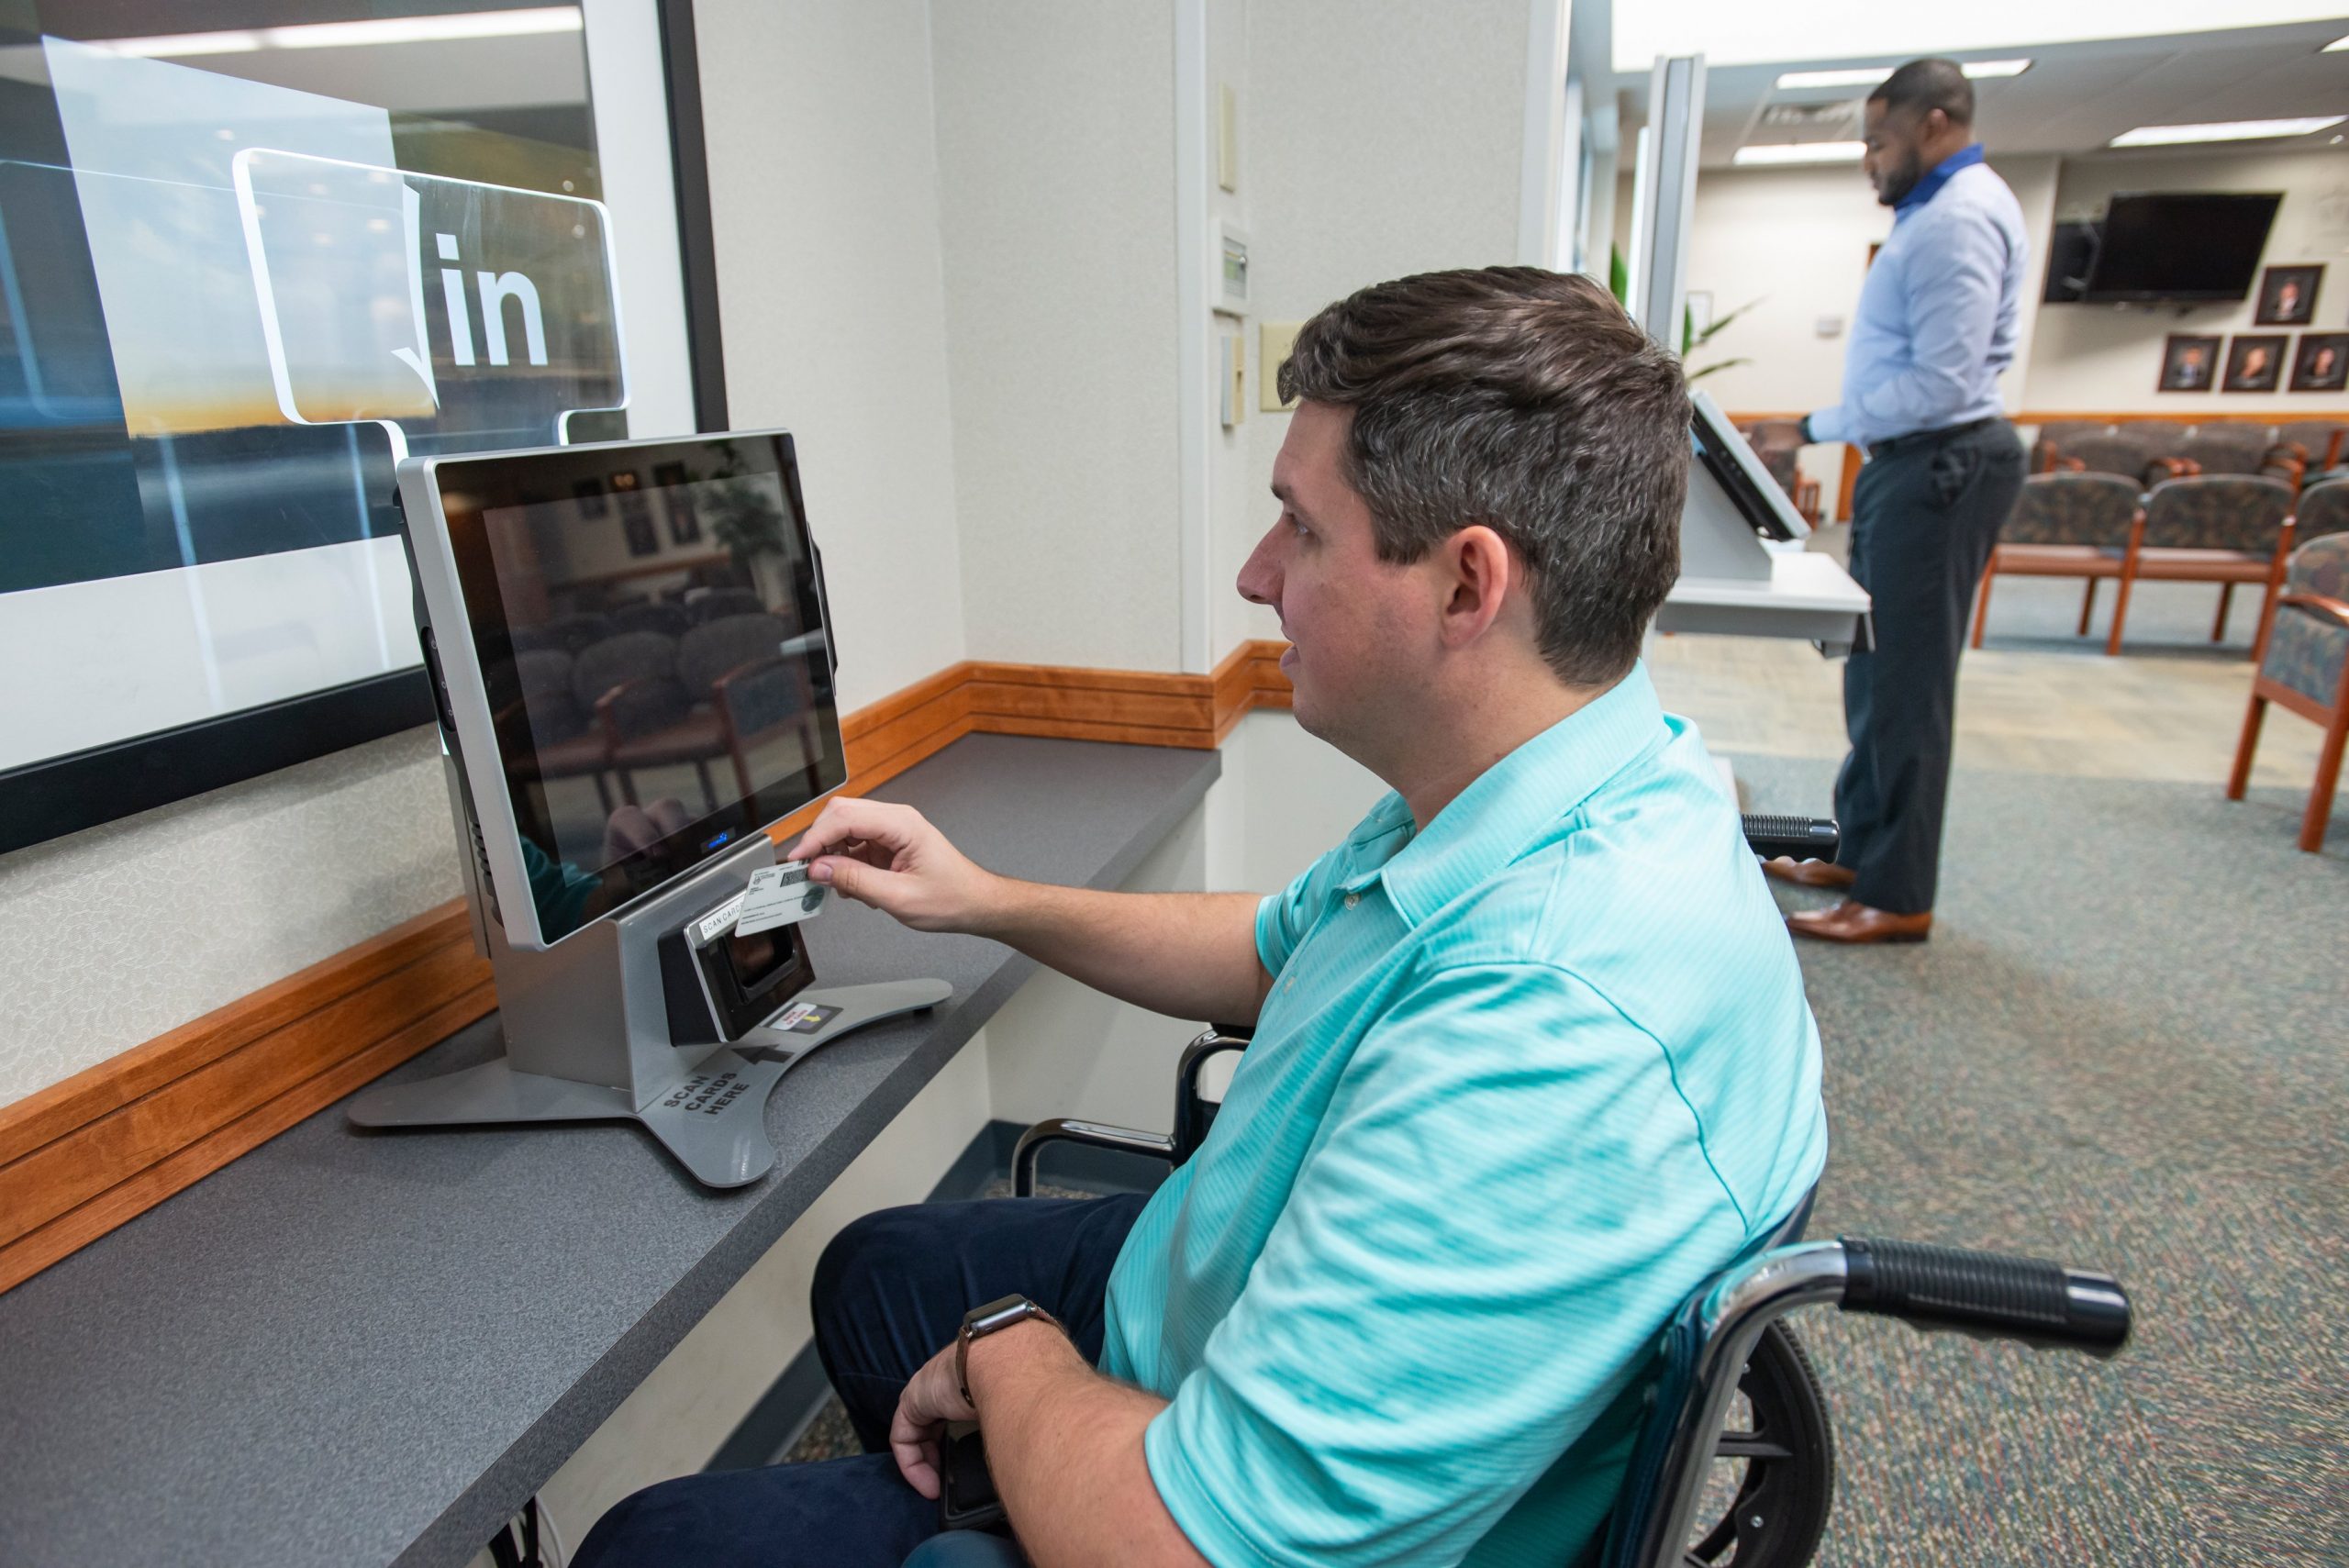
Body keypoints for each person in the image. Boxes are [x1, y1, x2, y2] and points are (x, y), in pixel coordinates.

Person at [571, 268, 1828, 1568]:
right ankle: (980, 1473)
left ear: (1466, 586)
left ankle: (979, 1497)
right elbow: (1274, 950)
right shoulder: (1570, 778)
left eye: (1300, 526)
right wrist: (985, 899)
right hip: (1239, 1296)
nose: (1253, 574)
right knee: (872, 1271)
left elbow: (1178, 1549)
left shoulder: (1548, 1016)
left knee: (650, 1544)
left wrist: (1010, 1359)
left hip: (1189, 1508)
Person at [1753, 58, 2028, 944]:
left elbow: (1943, 383)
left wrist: (1810, 424)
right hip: (1909, 465)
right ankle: (1860, 850)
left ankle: (1897, 894)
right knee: (1874, 668)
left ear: (1936, 124)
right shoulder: (1933, 218)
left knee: (1909, 685)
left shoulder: (1960, 219)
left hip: (1941, 464)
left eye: (1879, 140)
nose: (1870, 158)